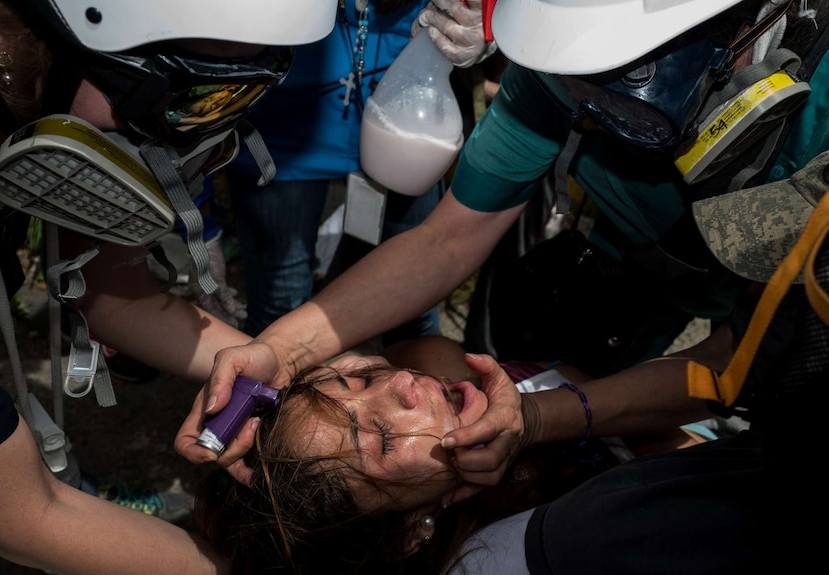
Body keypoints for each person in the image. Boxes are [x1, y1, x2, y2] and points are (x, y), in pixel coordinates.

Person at [176, 0, 829, 490]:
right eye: (571, 75)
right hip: (600, 259)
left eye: (615, 82)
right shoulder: (566, 58)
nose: (580, 97)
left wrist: (540, 419)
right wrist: (281, 350)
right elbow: (449, 239)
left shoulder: (815, 128)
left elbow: (735, 360)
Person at [0, 0, 339, 572]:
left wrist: (317, 374)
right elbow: (22, 515)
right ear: (3, 39)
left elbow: (119, 299)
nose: (188, 140)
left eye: (234, 100)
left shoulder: (55, 100)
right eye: (187, 97)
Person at [191, 328, 737, 574]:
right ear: (411, 530)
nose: (404, 382)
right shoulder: (556, 544)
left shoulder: (435, 356)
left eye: (360, 384)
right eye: (381, 439)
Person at [227, 0, 495, 344]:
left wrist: (486, 27)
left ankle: (415, 391)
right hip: (289, 120)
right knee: (280, 303)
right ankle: (273, 393)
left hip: (409, 112)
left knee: (412, 299)